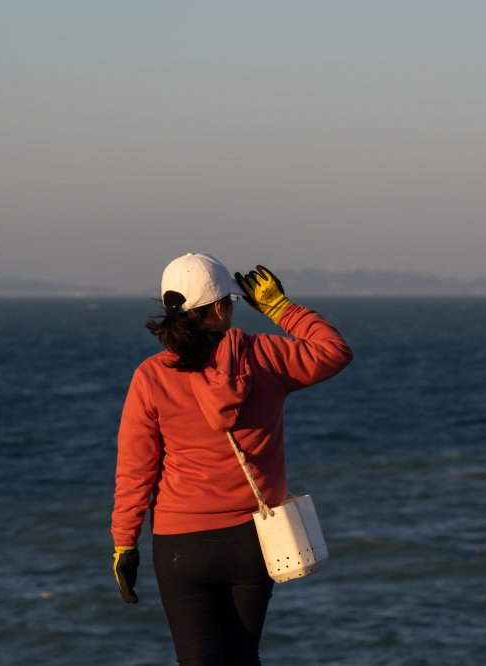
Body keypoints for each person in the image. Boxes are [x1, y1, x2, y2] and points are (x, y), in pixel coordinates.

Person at [111, 253, 353, 665]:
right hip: (253, 541)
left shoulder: (150, 377)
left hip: (180, 548)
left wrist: (124, 544)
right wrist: (281, 308)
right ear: (221, 307)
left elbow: (136, 471)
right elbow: (334, 351)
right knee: (243, 656)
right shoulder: (266, 358)